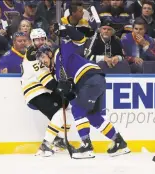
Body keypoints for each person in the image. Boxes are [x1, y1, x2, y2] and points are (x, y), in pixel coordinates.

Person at [35, 30, 131, 159]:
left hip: (90, 79)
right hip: (94, 82)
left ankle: (87, 147)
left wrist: (65, 30)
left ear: (49, 53)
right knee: (92, 116)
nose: (42, 61)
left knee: (78, 110)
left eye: (42, 57)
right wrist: (65, 93)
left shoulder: (60, 53)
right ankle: (120, 143)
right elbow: (72, 92)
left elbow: (80, 38)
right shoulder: (57, 73)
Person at [21, 28, 73, 157]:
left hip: (44, 90)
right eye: (37, 39)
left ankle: (59, 140)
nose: (40, 41)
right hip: (35, 91)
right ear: (32, 41)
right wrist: (61, 88)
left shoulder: (42, 52)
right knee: (60, 113)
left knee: (65, 108)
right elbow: (47, 82)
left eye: (42, 38)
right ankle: (45, 145)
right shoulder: (33, 55)